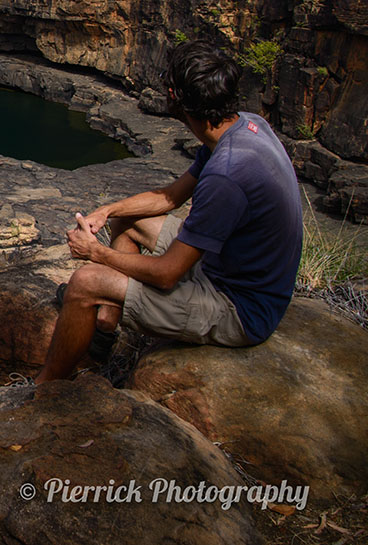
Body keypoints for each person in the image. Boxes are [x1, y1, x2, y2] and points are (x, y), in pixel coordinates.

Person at [35, 40, 303, 384]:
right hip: (230, 268)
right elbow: (170, 197)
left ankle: (46, 389)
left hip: (238, 307)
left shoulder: (228, 175)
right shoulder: (242, 126)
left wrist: (95, 253)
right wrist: (108, 210)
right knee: (128, 220)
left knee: (85, 282)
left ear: (179, 101)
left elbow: (166, 274)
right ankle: (106, 321)